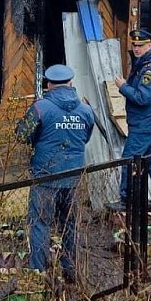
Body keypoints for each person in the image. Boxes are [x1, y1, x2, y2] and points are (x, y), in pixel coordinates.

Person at [16, 64, 95, 282]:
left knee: (41, 223)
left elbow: (22, 135)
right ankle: (71, 271)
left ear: (49, 85)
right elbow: (85, 138)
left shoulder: (41, 108)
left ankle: (39, 273)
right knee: (70, 223)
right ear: (71, 83)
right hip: (74, 177)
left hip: (46, 177)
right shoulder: (86, 110)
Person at [113, 29, 151, 212]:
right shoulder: (145, 62)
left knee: (129, 159)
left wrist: (123, 87)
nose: (136, 48)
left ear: (150, 45)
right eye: (134, 45)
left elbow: (143, 97)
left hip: (145, 122)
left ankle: (126, 200)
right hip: (148, 120)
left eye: (140, 45)